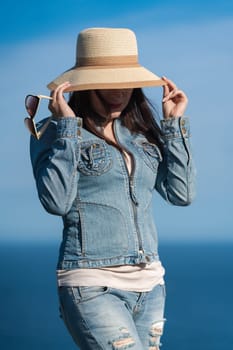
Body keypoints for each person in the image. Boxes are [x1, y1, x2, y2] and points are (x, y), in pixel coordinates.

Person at [28, 27, 196, 350]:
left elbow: (182, 193)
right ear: (84, 83)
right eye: (109, 82)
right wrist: (67, 129)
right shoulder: (52, 132)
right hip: (92, 285)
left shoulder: (140, 134)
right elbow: (56, 201)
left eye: (126, 81)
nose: (120, 92)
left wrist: (173, 125)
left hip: (150, 285)